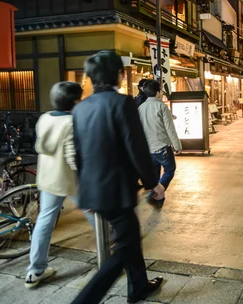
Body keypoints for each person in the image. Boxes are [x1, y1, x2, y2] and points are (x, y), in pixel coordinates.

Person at [72, 51, 164, 304]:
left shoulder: (81, 108)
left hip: (94, 189)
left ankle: (139, 286)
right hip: (116, 190)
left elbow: (79, 154)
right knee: (123, 249)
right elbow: (137, 147)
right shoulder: (121, 103)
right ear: (119, 75)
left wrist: (84, 190)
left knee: (130, 240)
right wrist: (152, 183)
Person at [25, 82, 95, 289]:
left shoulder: (45, 117)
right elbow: (73, 157)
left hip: (48, 178)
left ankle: (35, 270)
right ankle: (113, 246)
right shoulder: (72, 122)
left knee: (44, 221)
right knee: (93, 210)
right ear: (75, 101)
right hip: (69, 179)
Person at [138, 80, 182, 209]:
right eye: (161, 90)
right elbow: (170, 129)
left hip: (148, 148)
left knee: (155, 173)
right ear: (158, 92)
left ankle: (156, 196)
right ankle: (158, 192)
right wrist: (177, 145)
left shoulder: (140, 108)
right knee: (170, 170)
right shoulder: (161, 107)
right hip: (162, 147)